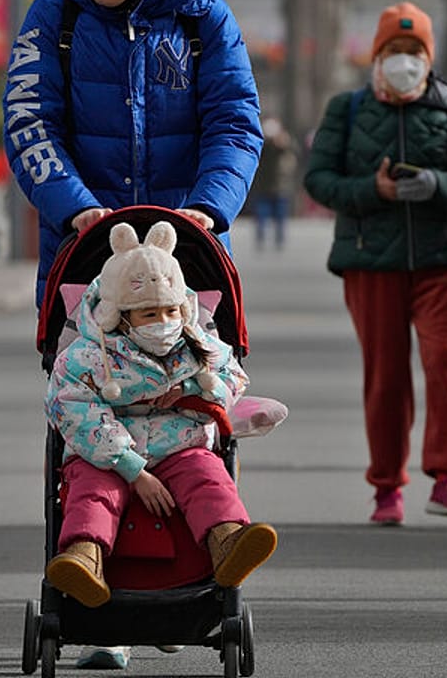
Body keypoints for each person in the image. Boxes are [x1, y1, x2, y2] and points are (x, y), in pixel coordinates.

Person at [0, 0, 263, 669]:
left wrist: (208, 212)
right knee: (91, 426)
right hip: (84, 264)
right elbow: (29, 121)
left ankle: (185, 584)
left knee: (185, 422)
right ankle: (97, 596)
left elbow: (235, 121)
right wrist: (75, 207)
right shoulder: (55, 21)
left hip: (184, 272)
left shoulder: (203, 21)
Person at [303, 2, 447, 526]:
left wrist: (435, 184)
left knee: (445, 362)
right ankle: (387, 486)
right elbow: (319, 180)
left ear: (429, 59)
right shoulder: (348, 109)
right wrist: (375, 190)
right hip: (371, 261)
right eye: (395, 51)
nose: (405, 61)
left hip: (440, 259)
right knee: (385, 376)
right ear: (377, 56)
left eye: (415, 52)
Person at [44, 221, 277, 610]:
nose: (163, 322)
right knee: (94, 492)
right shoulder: (86, 357)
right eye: (149, 314)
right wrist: (133, 469)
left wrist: (194, 389)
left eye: (171, 310)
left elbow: (234, 377)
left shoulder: (198, 344)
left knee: (208, 476)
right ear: (120, 316)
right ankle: (84, 558)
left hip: (179, 445)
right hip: (109, 455)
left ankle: (229, 542)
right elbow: (72, 408)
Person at [248, 116, 297, 251]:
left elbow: (291, 154)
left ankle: (279, 240)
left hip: (280, 187)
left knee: (280, 216)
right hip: (263, 187)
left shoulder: (284, 145)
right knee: (261, 215)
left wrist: (282, 142)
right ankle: (260, 239)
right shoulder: (262, 146)